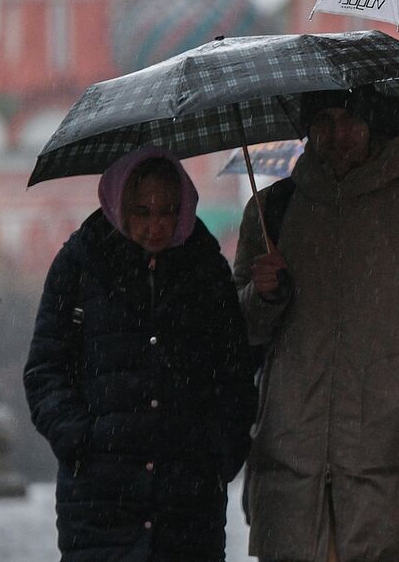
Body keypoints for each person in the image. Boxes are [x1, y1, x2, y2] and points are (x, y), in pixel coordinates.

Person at [234, 88, 399, 562]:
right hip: (291, 459)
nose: (337, 133)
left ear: (376, 124)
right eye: (324, 119)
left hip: (385, 458)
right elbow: (239, 331)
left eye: (350, 118)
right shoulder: (273, 210)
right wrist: (263, 294)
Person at [24, 147, 255, 562]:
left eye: (167, 211)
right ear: (119, 206)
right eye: (143, 211)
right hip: (100, 500)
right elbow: (45, 370)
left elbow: (234, 372)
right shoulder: (79, 264)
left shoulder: (205, 268)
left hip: (188, 501)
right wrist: (82, 441)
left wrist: (218, 456)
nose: (156, 226)